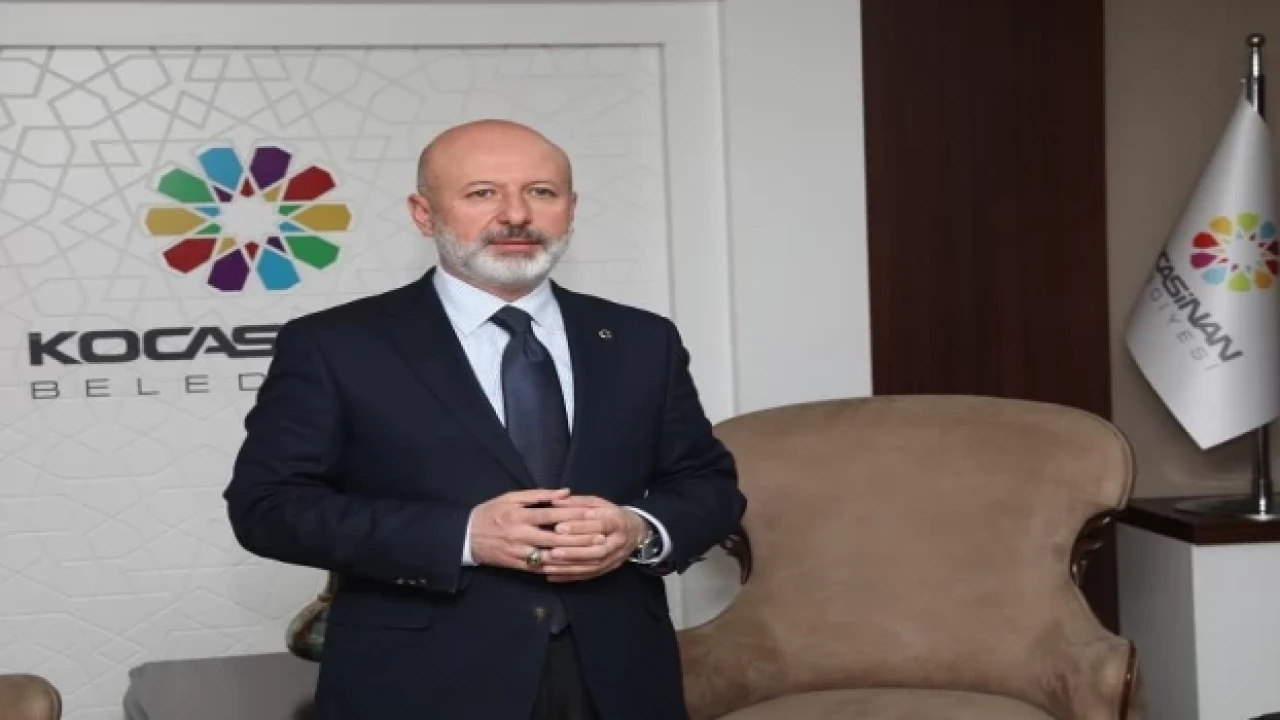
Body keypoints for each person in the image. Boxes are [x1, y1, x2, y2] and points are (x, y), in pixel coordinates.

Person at [222, 119, 747, 720]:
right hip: (421, 686)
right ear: (424, 214)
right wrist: (465, 537)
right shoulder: (335, 345)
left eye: (541, 192)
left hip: (620, 677)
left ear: (571, 210)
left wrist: (638, 529)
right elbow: (267, 507)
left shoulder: (641, 339)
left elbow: (708, 485)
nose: (516, 215)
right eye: (482, 193)